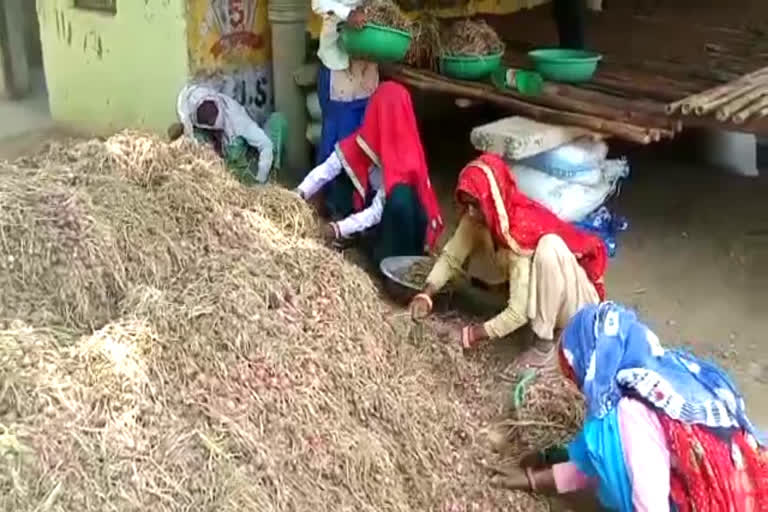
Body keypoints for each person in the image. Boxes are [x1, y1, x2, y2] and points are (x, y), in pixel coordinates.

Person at [494, 302, 768, 512]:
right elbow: (593, 465)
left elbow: (647, 502)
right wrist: (533, 480)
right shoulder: (663, 371)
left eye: (572, 372)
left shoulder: (632, 413)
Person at [409, 153, 607, 367]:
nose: (471, 213)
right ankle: (543, 327)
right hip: (550, 296)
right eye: (467, 206)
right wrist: (426, 294)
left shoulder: (518, 233)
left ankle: (544, 346)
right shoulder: (478, 219)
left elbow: (518, 312)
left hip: (575, 302)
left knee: (549, 245)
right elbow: (451, 258)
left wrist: (470, 335)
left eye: (476, 205)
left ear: (491, 202)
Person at [296, 82, 443, 266]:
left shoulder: (407, 160)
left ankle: (394, 260)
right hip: (374, 211)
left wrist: (337, 229)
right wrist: (298, 194)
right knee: (345, 165)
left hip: (401, 226)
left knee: (399, 199)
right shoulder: (367, 139)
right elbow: (330, 167)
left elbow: (376, 212)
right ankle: (351, 230)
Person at [312, 0, 379, 218]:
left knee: (365, 137)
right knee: (339, 140)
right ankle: (333, 208)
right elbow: (318, 3)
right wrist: (348, 14)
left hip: (367, 61)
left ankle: (360, 206)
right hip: (338, 62)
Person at [170, 84, 275, 184]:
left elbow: (266, 144)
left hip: (240, 167)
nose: (211, 118)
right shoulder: (196, 122)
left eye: (211, 113)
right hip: (216, 175)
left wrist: (261, 179)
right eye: (206, 117)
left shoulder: (237, 118)